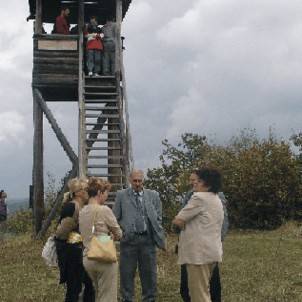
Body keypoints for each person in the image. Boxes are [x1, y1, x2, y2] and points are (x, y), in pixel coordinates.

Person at [113, 169, 166, 302]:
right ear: (130, 180)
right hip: (128, 241)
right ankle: (127, 299)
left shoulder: (153, 195)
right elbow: (115, 217)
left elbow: (159, 216)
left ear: (143, 180)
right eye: (135, 180)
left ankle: (149, 299)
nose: (137, 183)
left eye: (140, 181)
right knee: (126, 273)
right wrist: (122, 231)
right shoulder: (121, 195)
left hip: (147, 240)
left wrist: (156, 231)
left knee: (149, 274)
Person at [172, 167, 224, 302]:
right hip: (212, 252)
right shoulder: (216, 199)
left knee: (198, 296)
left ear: (208, 184)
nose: (194, 183)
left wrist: (184, 224)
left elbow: (178, 220)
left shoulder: (199, 197)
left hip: (197, 256)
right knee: (206, 291)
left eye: (199, 181)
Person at [79, 177, 122, 302]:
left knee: (98, 294)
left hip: (88, 257)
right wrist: (111, 236)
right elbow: (118, 233)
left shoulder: (83, 211)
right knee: (108, 296)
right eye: (106, 192)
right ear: (99, 192)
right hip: (104, 257)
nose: (106, 196)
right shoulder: (104, 210)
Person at [55, 178, 94, 302]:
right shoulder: (72, 207)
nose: (88, 192)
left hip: (81, 251)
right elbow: (61, 233)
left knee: (89, 284)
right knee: (74, 288)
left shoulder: (82, 206)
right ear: (78, 193)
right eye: (86, 189)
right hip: (73, 253)